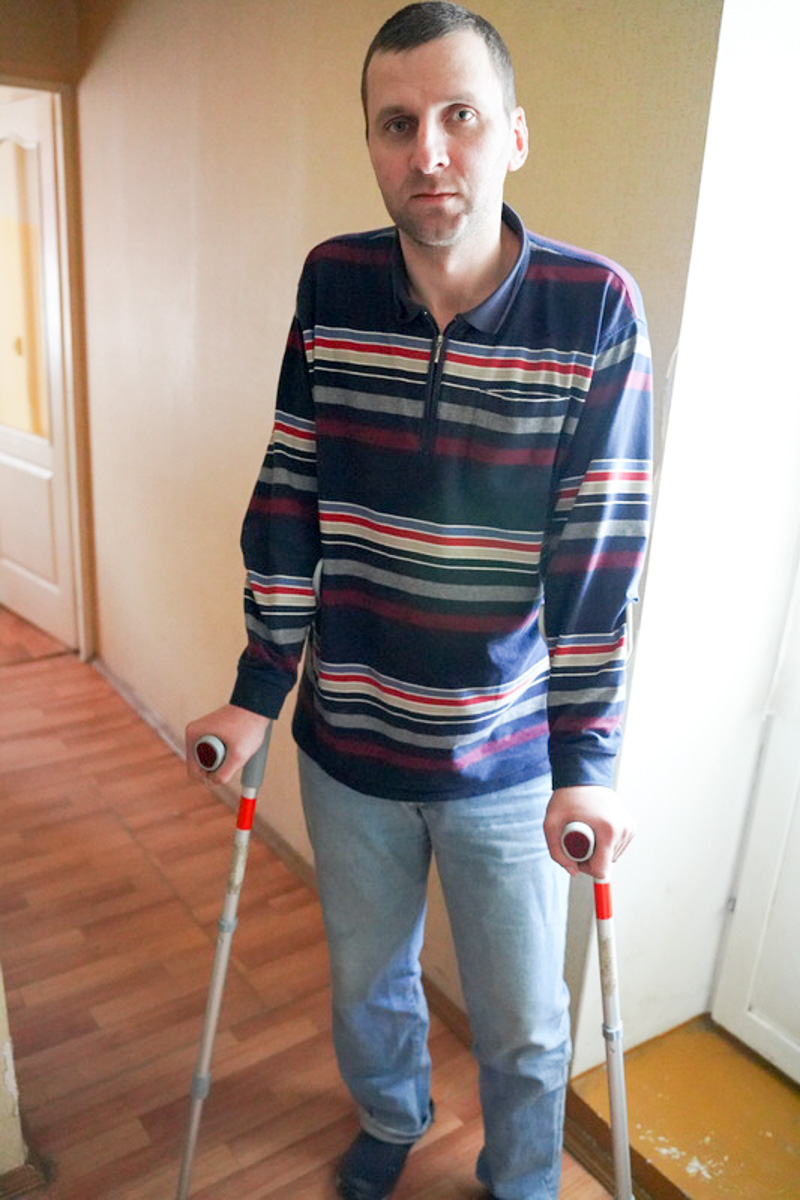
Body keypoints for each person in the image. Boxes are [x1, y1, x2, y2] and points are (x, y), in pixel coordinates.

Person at [186, 4, 652, 1197]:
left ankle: (523, 1180)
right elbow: (291, 487)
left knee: (526, 1022)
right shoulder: (332, 283)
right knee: (366, 982)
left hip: (504, 757)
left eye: (459, 117)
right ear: (371, 144)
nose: (428, 151)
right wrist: (256, 690)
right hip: (347, 743)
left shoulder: (593, 307)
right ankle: (391, 1119)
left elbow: (597, 553)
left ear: (514, 135)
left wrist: (586, 760)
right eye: (396, 124)